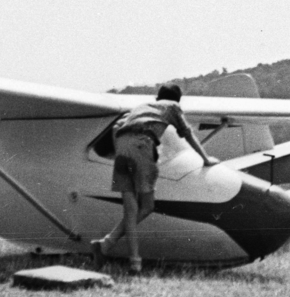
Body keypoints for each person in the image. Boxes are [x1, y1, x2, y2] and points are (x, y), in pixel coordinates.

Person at [91, 83, 216, 272]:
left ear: (158, 97)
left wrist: (120, 150)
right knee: (147, 206)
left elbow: (117, 127)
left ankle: (115, 250)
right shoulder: (172, 106)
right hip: (142, 145)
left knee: (130, 209)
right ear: (177, 99)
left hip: (122, 149)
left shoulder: (141, 108)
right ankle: (122, 254)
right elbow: (187, 134)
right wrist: (205, 159)